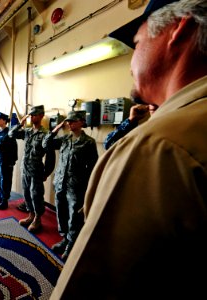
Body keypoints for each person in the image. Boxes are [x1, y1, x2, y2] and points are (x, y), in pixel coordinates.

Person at [50, 0, 207, 299]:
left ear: (178, 30)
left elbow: (89, 285)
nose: (131, 61)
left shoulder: (158, 147)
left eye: (136, 43)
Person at [42, 110, 98, 261]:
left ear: (81, 122)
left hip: (76, 185)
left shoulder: (88, 142)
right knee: (61, 212)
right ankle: (64, 238)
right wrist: (55, 129)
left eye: (73, 121)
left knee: (74, 216)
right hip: (60, 182)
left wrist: (88, 187)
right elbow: (45, 143)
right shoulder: (65, 139)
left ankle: (71, 243)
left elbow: (93, 167)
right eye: (68, 121)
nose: (69, 123)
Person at [9, 105, 54, 232]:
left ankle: (38, 219)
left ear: (41, 116)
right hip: (25, 168)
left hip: (36, 170)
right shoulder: (28, 132)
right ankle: (31, 215)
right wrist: (20, 123)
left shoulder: (46, 134)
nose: (32, 117)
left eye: (35, 115)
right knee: (27, 193)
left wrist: (47, 172)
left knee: (36, 195)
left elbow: (50, 157)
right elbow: (11, 134)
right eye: (31, 115)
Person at [0, 112, 18, 210]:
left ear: (5, 121)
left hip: (6, 162)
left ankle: (5, 200)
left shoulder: (9, 133)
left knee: (5, 180)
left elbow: (14, 148)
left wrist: (12, 161)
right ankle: (1, 197)